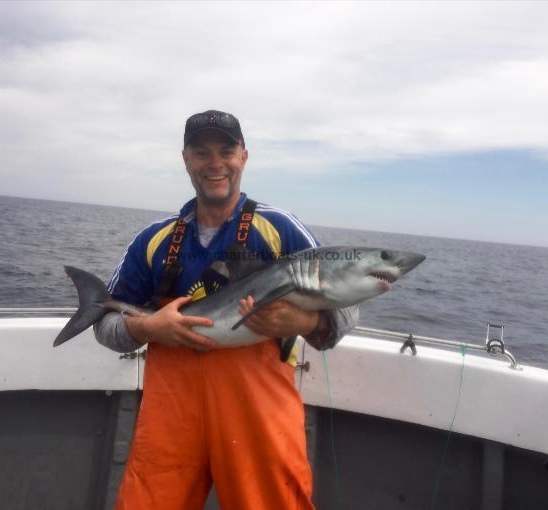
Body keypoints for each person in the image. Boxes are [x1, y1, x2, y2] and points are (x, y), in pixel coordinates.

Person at [95, 110, 358, 510]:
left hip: (257, 417)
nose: (215, 164)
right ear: (185, 159)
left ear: (244, 157)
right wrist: (148, 329)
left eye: (226, 151)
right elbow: (105, 324)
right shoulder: (154, 240)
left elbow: (346, 311)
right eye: (202, 153)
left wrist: (302, 320)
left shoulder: (281, 229)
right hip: (170, 418)